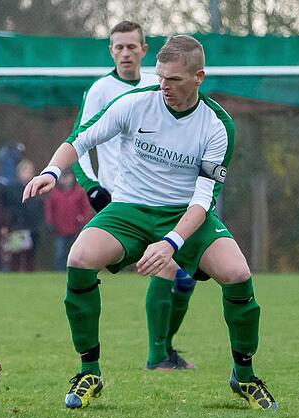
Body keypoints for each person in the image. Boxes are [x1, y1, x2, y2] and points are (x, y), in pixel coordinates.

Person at [23, 35, 277, 410]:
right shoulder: (133, 104)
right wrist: (51, 170)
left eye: (173, 79)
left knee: (237, 274)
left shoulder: (217, 126)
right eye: (160, 77)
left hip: (185, 212)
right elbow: (79, 139)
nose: (164, 86)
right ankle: (89, 371)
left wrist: (171, 242)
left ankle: (244, 376)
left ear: (198, 78)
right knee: (79, 259)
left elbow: (203, 199)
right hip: (129, 209)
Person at [71, 20, 198, 370]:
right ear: (110, 51)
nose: (125, 53)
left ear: (145, 50)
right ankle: (151, 356)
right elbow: (78, 141)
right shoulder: (99, 90)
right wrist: (92, 186)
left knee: (182, 279)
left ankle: (163, 350)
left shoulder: (159, 85)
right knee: (163, 271)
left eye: (132, 47)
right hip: (122, 204)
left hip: (166, 201)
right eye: (118, 47)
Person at [1, 160, 43, 272]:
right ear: (19, 173)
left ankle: (30, 275)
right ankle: (15, 275)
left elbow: (39, 207)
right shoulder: (11, 189)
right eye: (25, 171)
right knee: (16, 255)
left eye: (29, 171)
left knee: (31, 255)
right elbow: (7, 207)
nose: (27, 174)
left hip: (33, 227)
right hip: (17, 227)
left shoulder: (38, 188)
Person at [44, 171, 91, 271]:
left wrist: (83, 221)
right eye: (63, 177)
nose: (65, 180)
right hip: (59, 229)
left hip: (76, 229)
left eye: (67, 176)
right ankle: (59, 272)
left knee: (75, 254)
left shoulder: (79, 192)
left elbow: (86, 209)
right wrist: (50, 223)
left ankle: (75, 272)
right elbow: (49, 209)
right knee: (60, 253)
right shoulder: (54, 193)